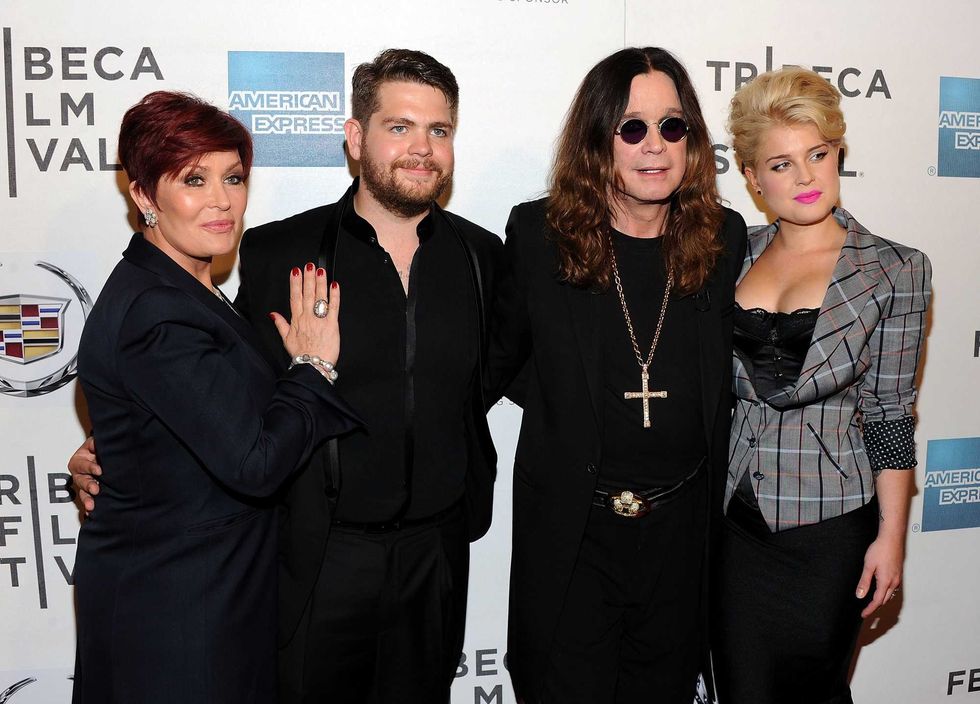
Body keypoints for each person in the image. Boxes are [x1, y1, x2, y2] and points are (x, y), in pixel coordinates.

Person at [71, 50, 502, 704]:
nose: (421, 148)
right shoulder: (277, 253)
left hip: (434, 563)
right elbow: (227, 399)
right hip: (312, 561)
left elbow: (511, 376)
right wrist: (109, 445)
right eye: (399, 127)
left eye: (438, 131)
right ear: (356, 138)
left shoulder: (482, 259)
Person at [71, 91, 360, 703]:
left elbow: (186, 422)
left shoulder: (185, 289)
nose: (222, 200)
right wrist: (311, 366)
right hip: (178, 612)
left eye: (232, 177)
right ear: (144, 195)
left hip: (207, 595)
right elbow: (253, 463)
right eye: (193, 180)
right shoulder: (157, 311)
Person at [487, 47, 747, 703]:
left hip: (681, 540)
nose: (655, 146)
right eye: (632, 127)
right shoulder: (538, 235)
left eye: (673, 126)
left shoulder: (723, 239)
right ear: (598, 138)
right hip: (576, 540)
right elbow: (501, 362)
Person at [713, 67, 931, 704]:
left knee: (814, 691)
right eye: (781, 163)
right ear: (752, 178)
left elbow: (890, 413)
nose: (805, 177)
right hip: (734, 522)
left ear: (839, 155)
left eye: (817, 155)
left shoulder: (895, 268)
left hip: (831, 528)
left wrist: (891, 539)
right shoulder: (731, 254)